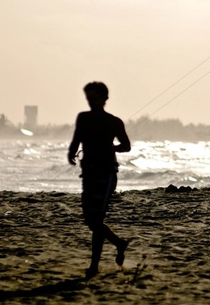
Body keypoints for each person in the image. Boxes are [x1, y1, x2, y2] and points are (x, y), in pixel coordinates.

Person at [68, 81, 131, 278]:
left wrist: (110, 148)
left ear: (104, 98)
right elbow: (76, 138)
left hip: (107, 174)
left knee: (97, 220)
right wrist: (71, 153)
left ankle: (94, 266)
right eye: (88, 98)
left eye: (94, 97)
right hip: (89, 173)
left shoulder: (114, 122)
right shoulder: (83, 118)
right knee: (90, 220)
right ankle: (119, 243)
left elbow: (126, 145)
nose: (90, 101)